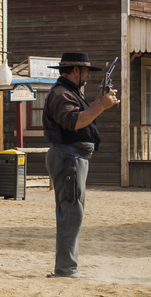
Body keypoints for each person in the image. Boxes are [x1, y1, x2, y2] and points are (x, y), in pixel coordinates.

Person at [42, 52, 119, 279]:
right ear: (75, 70)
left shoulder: (67, 92)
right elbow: (75, 122)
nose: (87, 75)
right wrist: (101, 105)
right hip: (69, 157)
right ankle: (66, 269)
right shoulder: (61, 93)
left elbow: (81, 116)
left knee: (71, 212)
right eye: (85, 71)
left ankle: (67, 268)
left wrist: (98, 102)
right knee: (71, 213)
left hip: (72, 158)